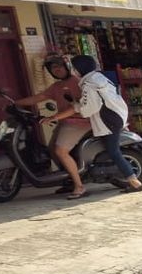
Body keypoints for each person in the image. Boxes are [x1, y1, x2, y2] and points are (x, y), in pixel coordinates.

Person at [51, 55, 142, 199]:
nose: (73, 70)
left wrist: (76, 107)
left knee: (113, 151)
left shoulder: (89, 84)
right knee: (112, 150)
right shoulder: (98, 78)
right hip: (116, 116)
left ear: (80, 68)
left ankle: (135, 182)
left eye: (74, 67)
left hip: (108, 119)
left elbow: (89, 108)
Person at [14, 53, 90, 195]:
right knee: (51, 149)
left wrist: (54, 117)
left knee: (60, 151)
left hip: (80, 122)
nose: (57, 70)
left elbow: (80, 106)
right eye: (53, 68)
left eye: (59, 66)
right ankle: (69, 180)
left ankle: (79, 186)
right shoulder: (56, 86)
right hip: (65, 122)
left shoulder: (78, 82)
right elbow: (39, 97)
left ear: (67, 67)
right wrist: (15, 103)